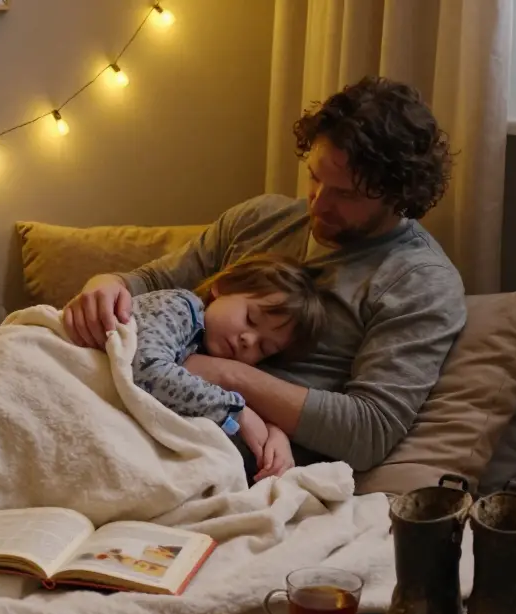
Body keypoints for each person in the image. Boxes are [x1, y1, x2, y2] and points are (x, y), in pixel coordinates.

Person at [62, 75, 467, 472]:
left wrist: (226, 375)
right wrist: (107, 283)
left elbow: (369, 431)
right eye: (314, 177)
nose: (318, 205)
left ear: (399, 196)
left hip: (225, 453)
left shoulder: (419, 282)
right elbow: (152, 282)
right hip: (138, 401)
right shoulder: (259, 219)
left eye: (346, 194)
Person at [129, 253, 326, 480]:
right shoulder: (180, 307)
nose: (249, 340)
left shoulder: (205, 351)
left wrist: (274, 432)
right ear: (222, 287)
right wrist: (235, 412)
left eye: (263, 347)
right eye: (250, 319)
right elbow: (147, 371)